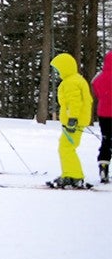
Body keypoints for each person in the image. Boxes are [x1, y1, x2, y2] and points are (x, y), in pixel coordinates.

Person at [48, 53, 93, 189]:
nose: (56, 72)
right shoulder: (76, 79)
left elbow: (74, 102)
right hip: (76, 120)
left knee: (66, 148)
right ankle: (71, 174)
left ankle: (73, 176)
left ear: (65, 68)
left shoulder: (70, 82)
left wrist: (72, 119)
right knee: (66, 147)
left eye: (58, 69)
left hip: (74, 121)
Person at [91, 51, 112, 184]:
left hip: (104, 113)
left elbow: (96, 90)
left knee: (106, 140)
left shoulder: (99, 77)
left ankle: (103, 167)